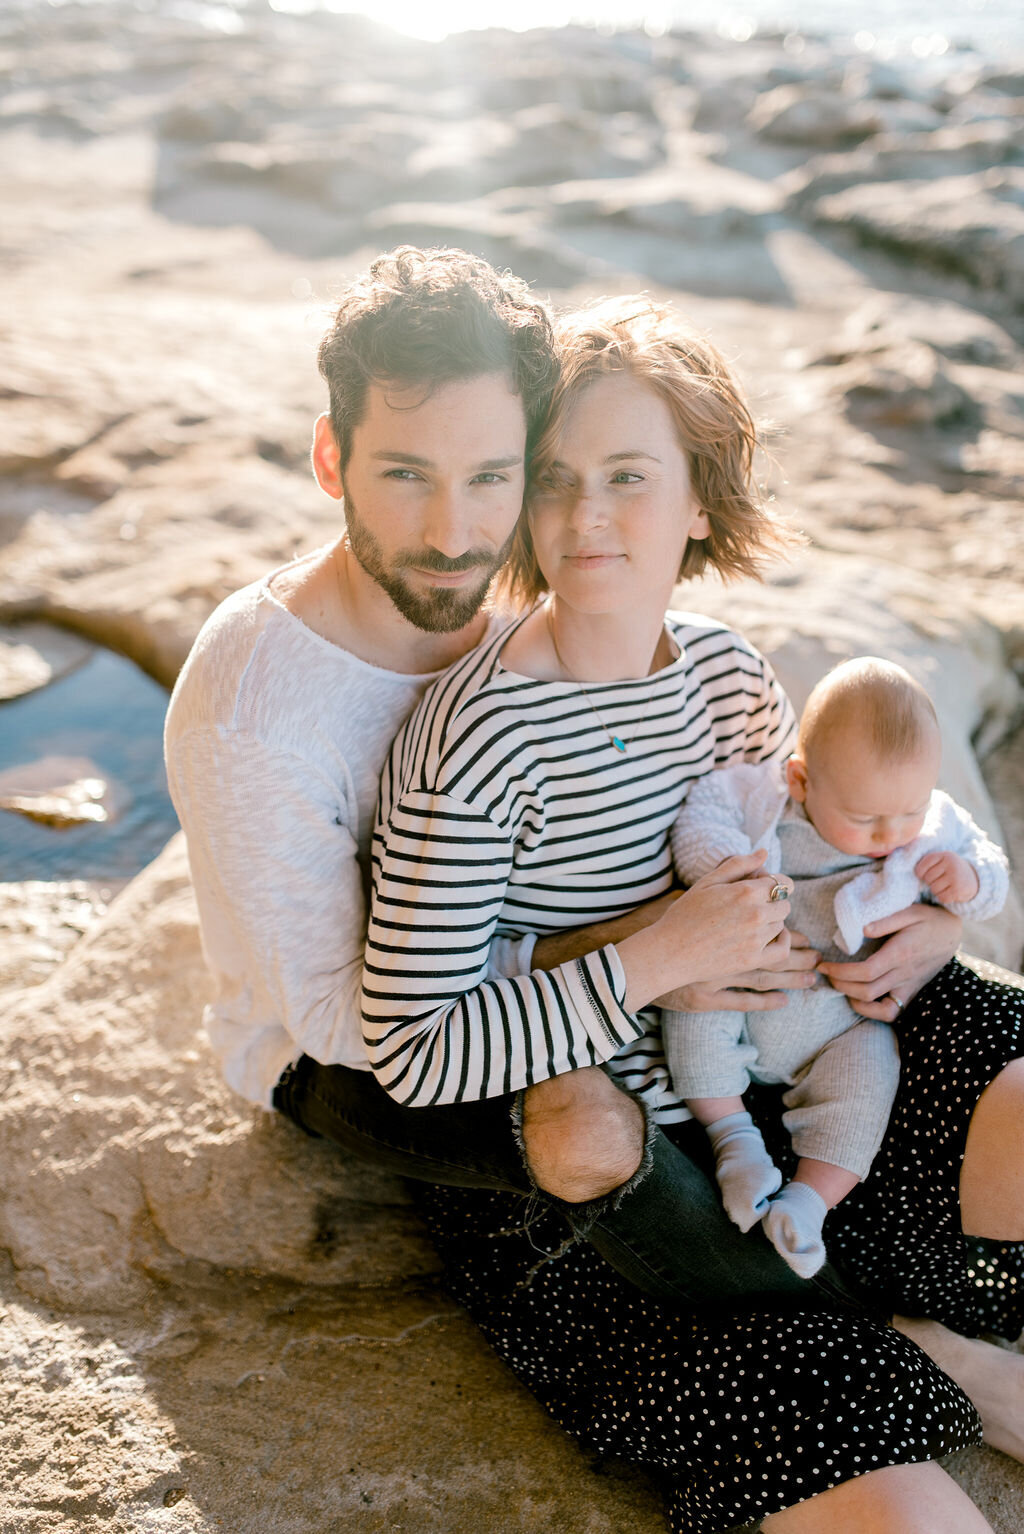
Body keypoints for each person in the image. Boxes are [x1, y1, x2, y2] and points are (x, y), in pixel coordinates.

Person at [163, 249, 1017, 1534]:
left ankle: (894, 1276)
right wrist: (656, 951)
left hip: (702, 1015)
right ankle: (886, 1335)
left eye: (497, 477)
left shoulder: (653, 638)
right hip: (410, 1061)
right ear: (333, 461)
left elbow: (797, 820)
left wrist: (928, 907)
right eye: (556, 482)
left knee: (961, 1037)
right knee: (596, 1137)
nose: (465, 527)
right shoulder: (304, 715)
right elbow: (386, 1036)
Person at [666, 656, 1009, 1278]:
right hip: (744, 987)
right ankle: (733, 1141)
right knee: (693, 1008)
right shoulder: (760, 801)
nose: (891, 834)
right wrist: (732, 871)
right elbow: (702, 816)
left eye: (909, 812)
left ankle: (808, 1201)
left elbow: (992, 876)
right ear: (801, 781)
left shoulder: (930, 824)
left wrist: (966, 879)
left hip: (842, 1022)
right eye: (866, 818)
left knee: (870, 1078)